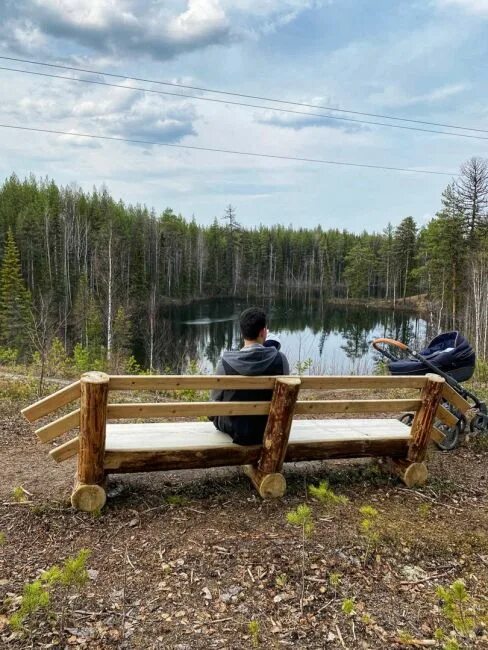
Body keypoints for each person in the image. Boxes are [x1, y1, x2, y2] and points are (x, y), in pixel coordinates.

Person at [211, 307, 289, 445]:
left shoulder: (225, 363)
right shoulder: (280, 360)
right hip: (269, 426)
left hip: (235, 429)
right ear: (263, 332)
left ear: (242, 333)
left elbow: (213, 408)